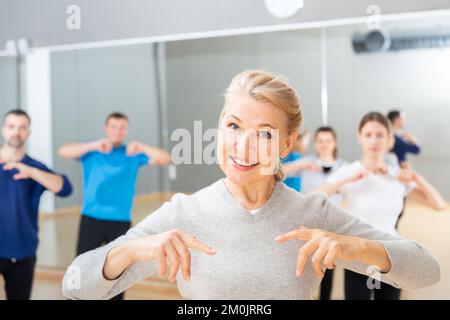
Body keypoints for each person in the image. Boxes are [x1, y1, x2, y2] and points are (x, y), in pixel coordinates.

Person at [62, 71, 440, 300]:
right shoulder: (183, 214)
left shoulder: (314, 214)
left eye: (264, 134)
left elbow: (427, 270)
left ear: (287, 145)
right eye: (233, 126)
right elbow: (75, 284)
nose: (242, 145)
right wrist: (130, 250)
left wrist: (358, 247)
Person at [316, 112, 447, 300]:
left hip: (390, 255)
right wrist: (345, 180)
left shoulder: (397, 176)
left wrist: (417, 178)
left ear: (390, 140)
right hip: (358, 256)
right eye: (368, 135)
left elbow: (439, 204)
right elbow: (314, 198)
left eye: (380, 135)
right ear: (360, 137)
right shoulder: (349, 172)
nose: (374, 141)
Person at [58, 112, 171, 300]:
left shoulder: (132, 154)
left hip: (120, 222)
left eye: (121, 128)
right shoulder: (92, 152)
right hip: (91, 219)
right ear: (106, 128)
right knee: (82, 269)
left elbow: (165, 158)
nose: (117, 131)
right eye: (113, 127)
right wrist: (94, 145)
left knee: (118, 273)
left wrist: (141, 146)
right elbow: (64, 151)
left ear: (126, 131)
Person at [0, 109, 72, 300]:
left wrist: (31, 172)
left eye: (22, 127)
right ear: (3, 130)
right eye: (11, 126)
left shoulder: (34, 168)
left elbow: (65, 188)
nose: (16, 132)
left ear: (28, 133)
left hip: (23, 254)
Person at [283, 126, 346, 300]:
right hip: (307, 226)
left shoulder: (344, 168)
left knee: (327, 270)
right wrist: (301, 164)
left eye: (328, 141)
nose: (324, 145)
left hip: (332, 227)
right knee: (303, 270)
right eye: (320, 141)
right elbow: (276, 171)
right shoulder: (305, 163)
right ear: (315, 143)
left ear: (335, 143)